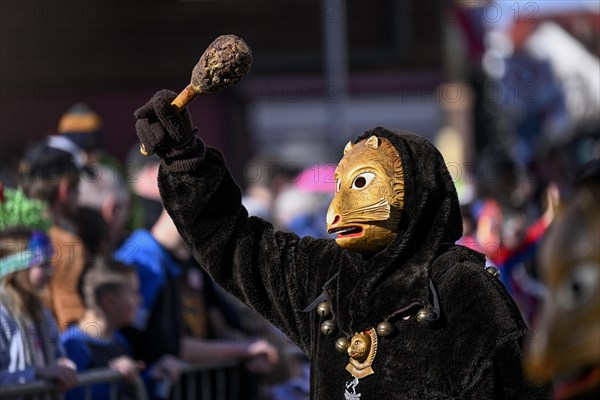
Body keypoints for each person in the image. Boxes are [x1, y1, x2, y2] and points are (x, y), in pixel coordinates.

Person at [133, 90, 549, 399]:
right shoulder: (324, 274)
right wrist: (184, 158)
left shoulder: (462, 288)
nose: (337, 209)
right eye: (340, 186)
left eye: (362, 183)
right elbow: (235, 242)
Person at [116, 208, 279, 398]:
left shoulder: (193, 258)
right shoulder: (142, 260)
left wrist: (252, 349)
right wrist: (244, 350)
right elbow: (168, 346)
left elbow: (219, 326)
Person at [61, 256, 180, 400]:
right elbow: (73, 395)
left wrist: (154, 374)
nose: (140, 300)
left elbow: (130, 391)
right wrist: (112, 378)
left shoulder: (119, 339)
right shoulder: (73, 345)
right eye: (134, 293)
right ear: (109, 301)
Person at [0, 186, 78, 391]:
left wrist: (62, 364)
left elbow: (57, 355)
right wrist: (35, 374)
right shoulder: (2, 314)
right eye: (43, 265)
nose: (51, 271)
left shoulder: (40, 312)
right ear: (16, 270)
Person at [19, 140, 89, 329]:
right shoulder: (67, 245)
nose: (80, 194)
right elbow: (70, 319)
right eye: (77, 186)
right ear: (64, 190)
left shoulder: (10, 236)